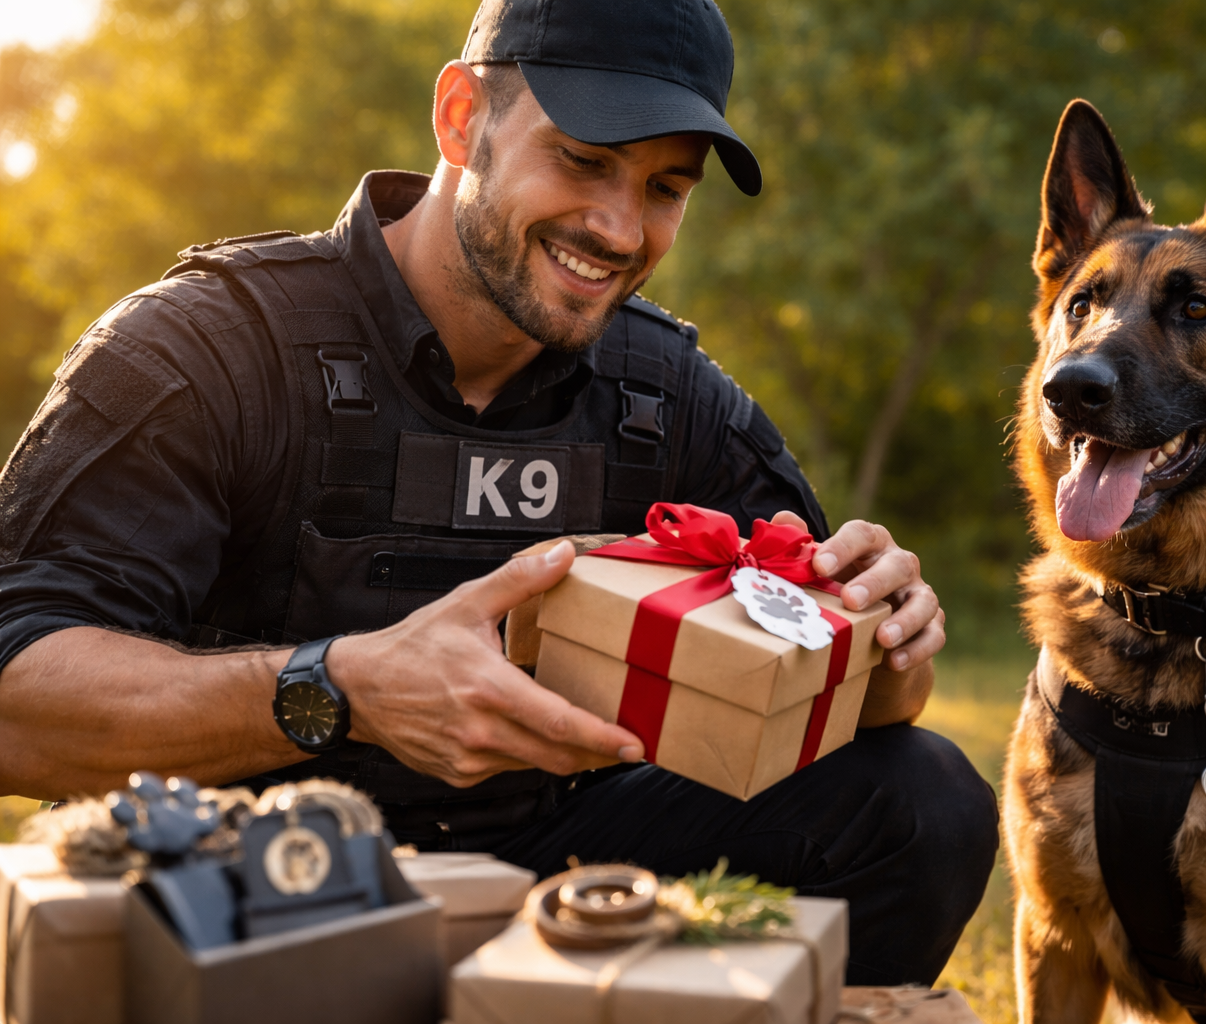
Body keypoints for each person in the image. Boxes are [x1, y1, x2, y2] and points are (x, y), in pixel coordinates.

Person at [0, 0, 996, 984]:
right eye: (584, 159)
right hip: (249, 879)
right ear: (461, 118)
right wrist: (340, 688)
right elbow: (16, 704)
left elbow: (835, 687)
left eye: (665, 186)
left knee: (922, 796)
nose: (618, 227)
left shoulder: (673, 397)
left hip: (564, 892)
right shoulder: (211, 351)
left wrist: (884, 644)